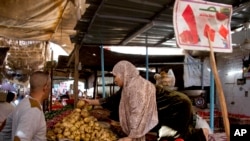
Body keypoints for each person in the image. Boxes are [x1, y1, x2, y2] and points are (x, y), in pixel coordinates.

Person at [112, 60, 158, 141]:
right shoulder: (134, 84)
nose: (115, 80)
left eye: (115, 76)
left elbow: (137, 111)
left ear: (124, 73)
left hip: (136, 132)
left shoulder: (135, 87)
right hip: (138, 131)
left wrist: (131, 137)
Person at [0, 71, 51, 141]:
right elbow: (20, 138)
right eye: (50, 86)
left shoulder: (23, 103)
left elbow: (5, 128)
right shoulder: (33, 110)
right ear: (45, 87)